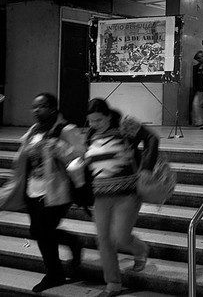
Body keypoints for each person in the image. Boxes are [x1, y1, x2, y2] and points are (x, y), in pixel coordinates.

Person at [0, 93, 85, 293]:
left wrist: (59, 147)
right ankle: (71, 243)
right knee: (38, 232)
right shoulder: (34, 130)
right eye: (34, 107)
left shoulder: (65, 130)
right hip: (32, 190)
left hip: (57, 192)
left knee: (43, 232)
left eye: (41, 106)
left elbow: (80, 156)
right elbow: (23, 157)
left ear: (53, 108)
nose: (36, 110)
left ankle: (55, 273)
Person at [84, 98, 158, 297]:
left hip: (127, 193)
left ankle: (140, 249)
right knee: (104, 240)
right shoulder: (90, 134)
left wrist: (147, 169)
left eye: (98, 120)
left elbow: (152, 139)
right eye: (90, 121)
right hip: (100, 196)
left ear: (108, 116)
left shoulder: (125, 125)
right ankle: (113, 284)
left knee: (121, 237)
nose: (93, 125)